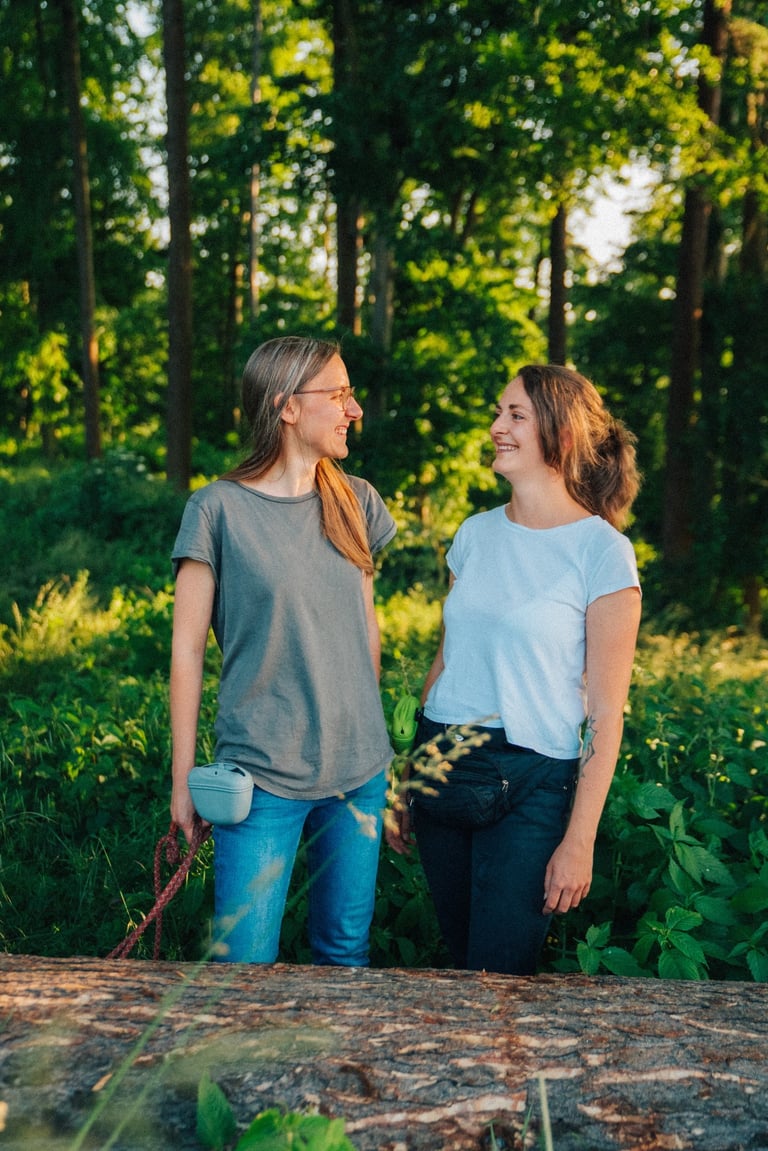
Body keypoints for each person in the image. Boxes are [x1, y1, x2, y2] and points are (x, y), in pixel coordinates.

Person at [386, 363, 642, 976]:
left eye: (516, 415)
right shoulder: (474, 535)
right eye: (499, 412)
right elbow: (447, 662)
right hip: (443, 761)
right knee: (457, 964)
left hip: (532, 782)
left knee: (499, 978)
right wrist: (408, 778)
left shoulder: (602, 551)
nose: (497, 426)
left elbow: (607, 715)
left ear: (561, 434)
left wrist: (578, 840)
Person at [170, 335, 396, 965]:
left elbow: (365, 629)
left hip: (358, 774)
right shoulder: (217, 510)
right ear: (287, 406)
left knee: (344, 952)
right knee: (243, 963)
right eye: (340, 394)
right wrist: (182, 780)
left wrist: (380, 751)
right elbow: (186, 651)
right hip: (261, 775)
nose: (354, 410)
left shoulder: (358, 500)